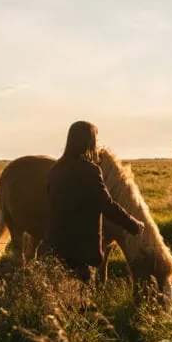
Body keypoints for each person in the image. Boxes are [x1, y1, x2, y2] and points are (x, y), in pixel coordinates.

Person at [45, 121, 144, 282]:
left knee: (61, 299)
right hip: (82, 252)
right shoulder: (89, 170)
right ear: (89, 141)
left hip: (57, 248)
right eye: (95, 139)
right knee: (83, 300)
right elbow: (106, 204)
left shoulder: (55, 170)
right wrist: (134, 225)